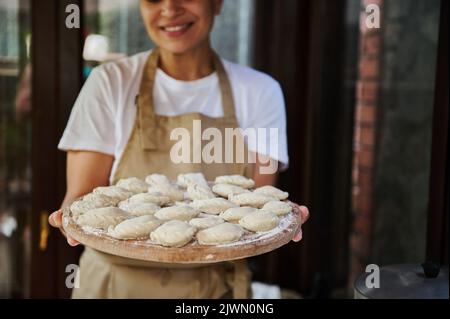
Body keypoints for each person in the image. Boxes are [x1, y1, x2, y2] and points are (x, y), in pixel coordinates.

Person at [49, 0, 309, 299]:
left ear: (219, 3)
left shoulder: (261, 92)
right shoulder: (110, 84)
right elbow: (81, 203)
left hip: (214, 289)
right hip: (112, 286)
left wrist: (281, 224)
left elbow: (258, 211)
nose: (170, 8)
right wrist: (68, 221)